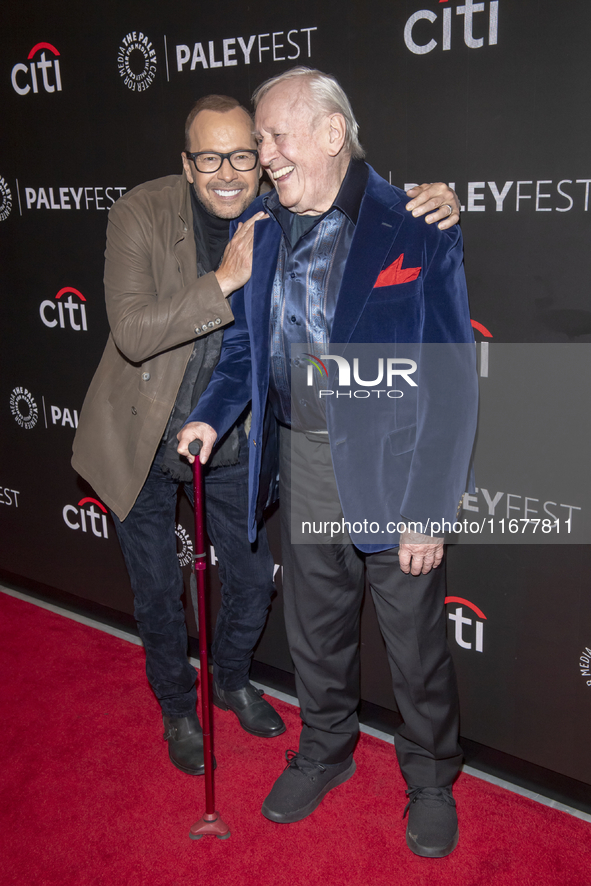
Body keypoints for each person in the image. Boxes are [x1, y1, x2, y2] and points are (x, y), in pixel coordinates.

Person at [72, 92, 461, 780]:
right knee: (238, 611)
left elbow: (447, 378)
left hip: (329, 458)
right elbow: (186, 343)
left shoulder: (355, 218)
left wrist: (429, 509)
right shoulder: (202, 218)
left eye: (256, 147)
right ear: (186, 165)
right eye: (217, 155)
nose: (243, 165)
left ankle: (415, 770)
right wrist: (212, 387)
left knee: (346, 617)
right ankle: (247, 728)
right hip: (212, 439)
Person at [177, 69, 478, 859]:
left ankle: (430, 778)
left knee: (413, 645)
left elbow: (449, 382)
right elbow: (243, 348)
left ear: (330, 134)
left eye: (274, 137)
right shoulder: (263, 226)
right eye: (259, 139)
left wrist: (427, 509)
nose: (261, 155)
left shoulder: (415, 223)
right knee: (315, 634)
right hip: (302, 459)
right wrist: (211, 418)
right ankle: (324, 753)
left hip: (394, 469)